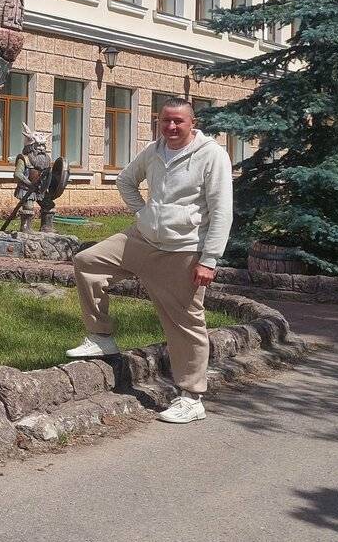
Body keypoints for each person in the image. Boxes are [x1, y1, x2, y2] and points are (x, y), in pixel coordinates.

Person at [67, 97, 233, 424]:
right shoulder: (154, 150)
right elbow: (125, 180)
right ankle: (101, 337)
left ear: (192, 123)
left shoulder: (212, 155)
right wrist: (143, 213)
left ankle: (192, 398)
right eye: (165, 120)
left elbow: (222, 211)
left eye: (178, 121)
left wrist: (209, 260)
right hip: (142, 238)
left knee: (185, 323)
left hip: (182, 250)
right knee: (88, 261)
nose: (171, 127)